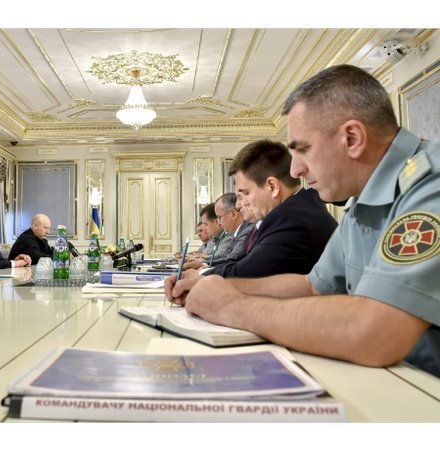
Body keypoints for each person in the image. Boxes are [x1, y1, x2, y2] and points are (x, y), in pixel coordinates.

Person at [166, 64, 440, 377]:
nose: (295, 170)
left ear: (352, 138)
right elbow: (312, 286)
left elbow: (378, 332)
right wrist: (212, 286)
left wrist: (230, 306)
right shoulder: (361, 201)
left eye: (303, 149)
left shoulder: (431, 186)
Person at [202, 140, 337, 278]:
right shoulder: (302, 205)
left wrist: (199, 278)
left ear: (272, 187)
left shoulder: (290, 220)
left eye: (246, 193)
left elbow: (244, 273)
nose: (238, 206)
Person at [183, 193, 255, 270]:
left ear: (233, 214)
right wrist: (200, 261)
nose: (219, 223)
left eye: (219, 217)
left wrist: (202, 264)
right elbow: (224, 255)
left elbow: (232, 260)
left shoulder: (246, 231)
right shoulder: (237, 233)